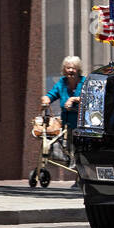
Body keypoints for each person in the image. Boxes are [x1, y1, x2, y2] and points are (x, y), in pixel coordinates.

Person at [42, 56, 83, 185]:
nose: (71, 70)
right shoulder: (62, 82)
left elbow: (89, 96)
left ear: (78, 70)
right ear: (64, 70)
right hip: (68, 123)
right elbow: (53, 93)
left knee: (80, 150)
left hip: (82, 123)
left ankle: (81, 178)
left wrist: (74, 99)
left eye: (73, 68)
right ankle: (79, 177)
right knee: (70, 150)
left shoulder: (84, 81)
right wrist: (46, 99)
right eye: (68, 68)